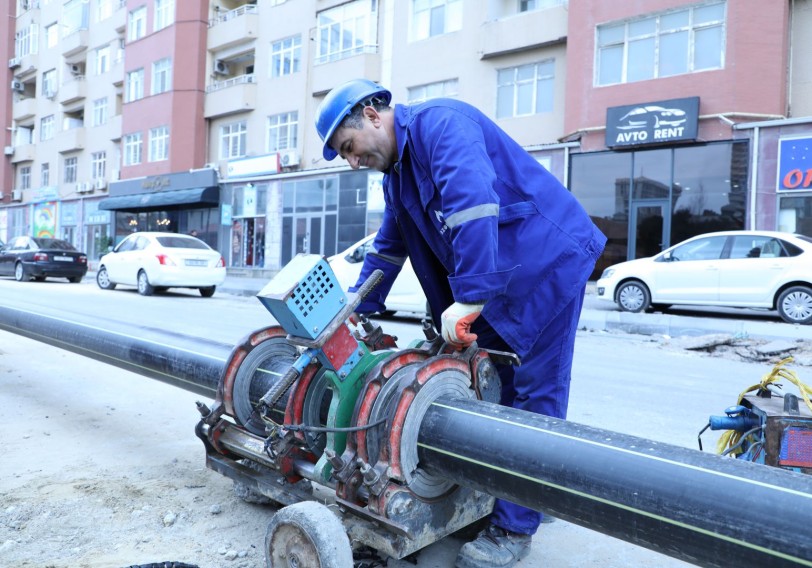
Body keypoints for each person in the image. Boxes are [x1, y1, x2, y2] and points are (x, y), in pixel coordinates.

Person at [315, 79, 606, 568]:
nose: (352, 161)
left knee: (534, 397)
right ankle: (526, 492)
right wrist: (354, 309)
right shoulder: (398, 175)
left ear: (370, 114)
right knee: (493, 390)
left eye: (349, 148)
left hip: (544, 268)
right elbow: (389, 247)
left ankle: (515, 527)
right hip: (501, 282)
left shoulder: (442, 124)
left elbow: (474, 206)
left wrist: (469, 297)